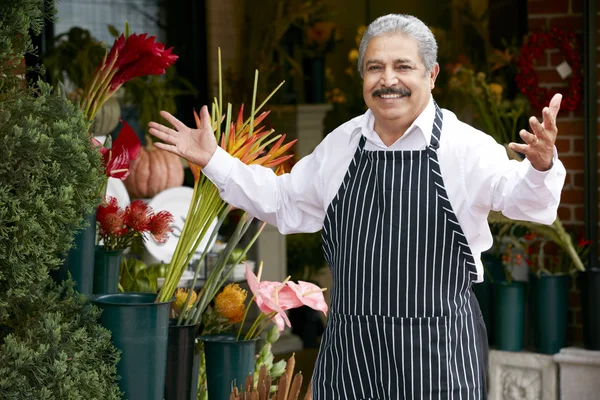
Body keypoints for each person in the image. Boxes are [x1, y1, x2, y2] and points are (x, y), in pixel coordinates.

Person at [149, 13, 566, 400]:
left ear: (432, 74)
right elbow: (282, 200)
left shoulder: (466, 148)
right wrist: (214, 160)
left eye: (403, 66)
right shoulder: (342, 145)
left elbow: (523, 199)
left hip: (438, 357)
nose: (388, 80)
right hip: (350, 356)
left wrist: (542, 165)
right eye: (375, 67)